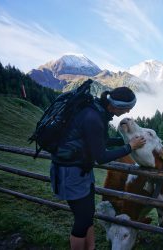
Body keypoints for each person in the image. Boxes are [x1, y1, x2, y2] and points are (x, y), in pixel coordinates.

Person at [50, 86, 146, 250]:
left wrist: (123, 141)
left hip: (82, 171)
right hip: (70, 172)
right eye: (128, 107)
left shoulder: (98, 111)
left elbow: (96, 141)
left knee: (88, 215)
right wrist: (129, 147)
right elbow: (101, 157)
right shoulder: (93, 118)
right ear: (116, 105)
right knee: (81, 221)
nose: (129, 111)